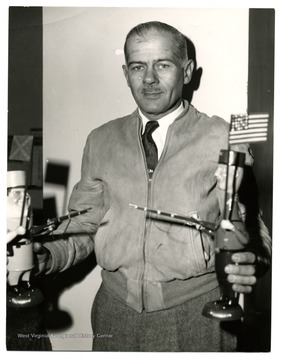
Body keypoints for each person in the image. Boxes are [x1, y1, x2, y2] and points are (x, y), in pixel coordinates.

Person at [34, 21, 271, 352]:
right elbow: (85, 224)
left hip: (197, 316)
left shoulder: (224, 136)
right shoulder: (100, 140)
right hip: (112, 314)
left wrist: (252, 259)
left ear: (186, 72)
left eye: (162, 65)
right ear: (125, 73)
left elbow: (253, 231)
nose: (149, 79)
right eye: (137, 67)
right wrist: (48, 255)